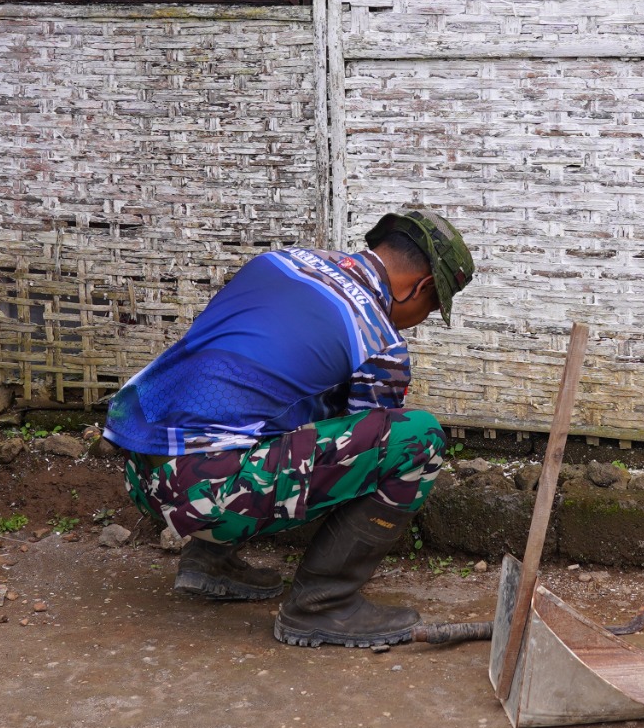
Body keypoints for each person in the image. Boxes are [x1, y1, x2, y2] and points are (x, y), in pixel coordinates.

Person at [105, 210, 475, 649]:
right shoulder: (379, 339)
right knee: (416, 438)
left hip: (139, 472)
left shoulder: (279, 263)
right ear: (422, 287)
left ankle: (208, 560)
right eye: (432, 307)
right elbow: (366, 442)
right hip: (209, 498)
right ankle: (322, 606)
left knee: (287, 397)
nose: (424, 317)